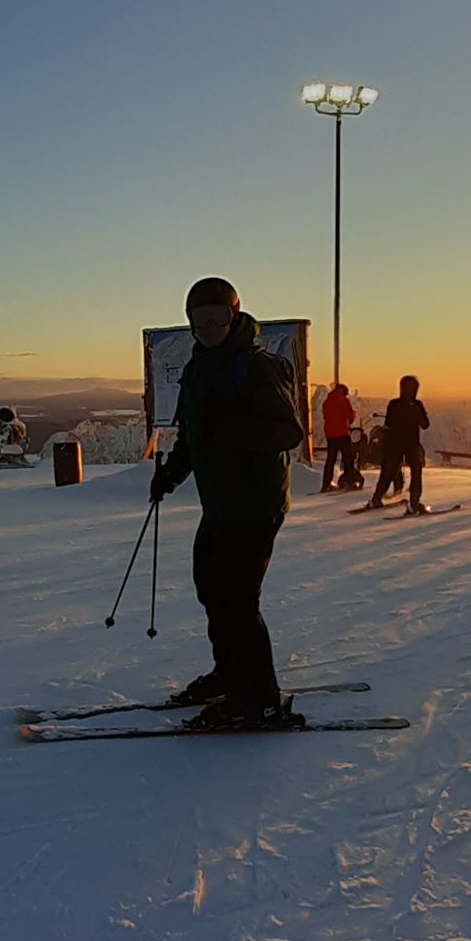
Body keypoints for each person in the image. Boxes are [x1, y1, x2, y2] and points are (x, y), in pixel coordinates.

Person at [149, 276, 305, 730]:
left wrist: (232, 429)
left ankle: (258, 699)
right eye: (201, 320)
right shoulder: (199, 367)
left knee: (237, 600)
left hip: (255, 504)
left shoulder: (257, 367)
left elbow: (287, 432)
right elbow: (195, 435)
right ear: (191, 323)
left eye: (219, 318)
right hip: (220, 505)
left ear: (234, 317)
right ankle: (230, 674)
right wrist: (170, 475)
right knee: (211, 590)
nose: (210, 326)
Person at [369, 375, 430, 512]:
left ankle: (376, 498)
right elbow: (425, 425)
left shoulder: (394, 404)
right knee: (416, 470)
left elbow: (388, 423)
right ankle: (414, 502)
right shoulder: (417, 405)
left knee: (388, 471)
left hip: (394, 443)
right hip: (411, 443)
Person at [320, 383, 360, 492]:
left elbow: (325, 416)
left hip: (330, 434)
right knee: (348, 458)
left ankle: (326, 483)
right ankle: (350, 481)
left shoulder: (327, 402)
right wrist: (353, 415)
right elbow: (350, 417)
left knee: (330, 460)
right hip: (342, 433)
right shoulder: (344, 401)